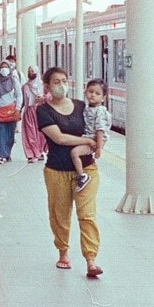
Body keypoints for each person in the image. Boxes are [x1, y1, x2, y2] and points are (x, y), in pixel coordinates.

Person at [35, 66, 102, 279]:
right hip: (57, 169)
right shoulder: (43, 111)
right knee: (60, 215)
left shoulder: (82, 106)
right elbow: (59, 138)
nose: (62, 85)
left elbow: (98, 125)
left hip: (87, 168)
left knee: (87, 214)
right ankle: (63, 252)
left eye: (64, 80)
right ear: (47, 86)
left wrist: (98, 143)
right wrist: (87, 141)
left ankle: (91, 260)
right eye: (56, 82)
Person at [72, 79, 112, 192]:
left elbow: (100, 130)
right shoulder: (87, 108)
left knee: (74, 153)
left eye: (97, 93)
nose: (93, 95)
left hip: (95, 139)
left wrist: (99, 148)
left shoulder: (100, 111)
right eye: (90, 91)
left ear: (103, 98)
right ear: (86, 92)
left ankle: (82, 177)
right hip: (88, 137)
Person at [20, 64, 47, 163]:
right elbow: (22, 101)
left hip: (41, 112)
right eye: (29, 71)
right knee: (30, 134)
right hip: (29, 112)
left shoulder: (43, 86)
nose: (30, 73)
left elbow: (50, 96)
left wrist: (43, 98)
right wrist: (18, 111)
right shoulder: (25, 87)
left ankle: (40, 151)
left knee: (41, 134)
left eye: (32, 71)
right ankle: (32, 154)